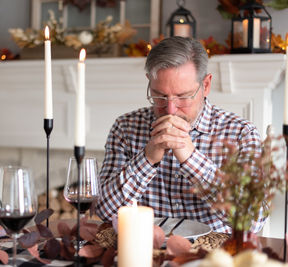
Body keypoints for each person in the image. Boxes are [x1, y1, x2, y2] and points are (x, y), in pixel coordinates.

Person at [96, 36, 266, 233]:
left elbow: (252, 222)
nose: (170, 110)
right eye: (159, 96)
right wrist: (148, 158)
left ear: (206, 85)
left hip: (212, 258)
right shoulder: (125, 127)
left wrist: (191, 158)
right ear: (149, 82)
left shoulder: (241, 134)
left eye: (183, 96)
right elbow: (103, 211)